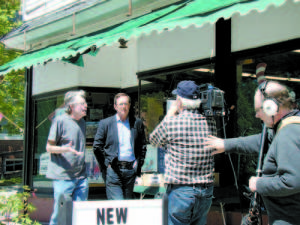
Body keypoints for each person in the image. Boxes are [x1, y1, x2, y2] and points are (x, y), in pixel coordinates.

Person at [205, 80, 300, 225]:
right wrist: (225, 144)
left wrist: (259, 184)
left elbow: (293, 181)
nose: (256, 116)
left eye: (258, 110)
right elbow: (262, 141)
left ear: (271, 107)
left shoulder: (288, 133)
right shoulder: (285, 128)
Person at [149, 80, 217, 225]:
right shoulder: (210, 122)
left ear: (179, 101)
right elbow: (215, 148)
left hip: (181, 191)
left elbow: (154, 140)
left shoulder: (173, 122)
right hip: (205, 191)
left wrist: (170, 114)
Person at [93, 93, 147, 200]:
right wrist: (106, 165)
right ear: (115, 106)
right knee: (118, 205)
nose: (124, 106)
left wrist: (138, 163)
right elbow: (97, 147)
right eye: (121, 104)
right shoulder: (106, 124)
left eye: (126, 104)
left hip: (130, 172)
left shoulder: (137, 123)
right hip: (114, 171)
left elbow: (142, 146)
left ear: (130, 105)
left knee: (127, 205)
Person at [46, 90, 88, 225]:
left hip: (81, 177)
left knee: (80, 216)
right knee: (60, 216)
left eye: (85, 102)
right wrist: (65, 149)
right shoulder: (60, 121)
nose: (85, 105)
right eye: (81, 103)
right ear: (71, 106)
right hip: (62, 177)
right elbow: (49, 147)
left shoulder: (82, 123)